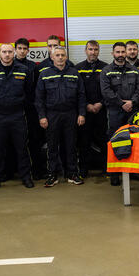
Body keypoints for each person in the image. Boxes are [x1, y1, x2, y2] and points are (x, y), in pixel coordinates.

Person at [0, 43, 34, 191]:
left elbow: (29, 92)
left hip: (18, 115)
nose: (7, 54)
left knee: (22, 148)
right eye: (4, 52)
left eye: (10, 51)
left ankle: (26, 177)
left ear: (14, 53)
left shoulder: (24, 70)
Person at [36, 46, 86, 187]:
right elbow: (39, 98)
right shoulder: (45, 74)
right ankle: (52, 174)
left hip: (71, 114)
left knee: (71, 145)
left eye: (62, 55)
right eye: (57, 55)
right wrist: (42, 116)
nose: (60, 57)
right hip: (52, 115)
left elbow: (81, 95)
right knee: (52, 146)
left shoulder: (74, 73)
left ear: (66, 57)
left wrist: (81, 113)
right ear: (52, 57)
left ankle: (72, 174)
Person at [100, 42, 139, 186]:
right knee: (114, 140)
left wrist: (132, 102)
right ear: (112, 53)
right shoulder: (106, 71)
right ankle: (114, 173)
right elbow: (106, 92)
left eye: (122, 52)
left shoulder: (134, 70)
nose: (120, 55)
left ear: (126, 53)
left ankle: (134, 171)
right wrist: (121, 103)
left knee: (134, 141)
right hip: (114, 111)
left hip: (132, 110)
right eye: (117, 52)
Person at [76, 40, 108, 177]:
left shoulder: (106, 67)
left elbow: (109, 89)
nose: (93, 52)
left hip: (102, 111)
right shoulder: (78, 68)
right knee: (84, 141)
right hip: (85, 112)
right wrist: (86, 105)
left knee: (104, 141)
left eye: (95, 49)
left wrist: (101, 103)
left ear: (98, 51)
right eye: (90, 49)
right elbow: (77, 91)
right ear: (85, 51)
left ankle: (106, 168)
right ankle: (83, 169)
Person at [15, 37, 45, 180]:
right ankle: (17, 171)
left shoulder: (33, 66)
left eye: (24, 49)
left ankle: (37, 170)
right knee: (16, 141)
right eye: (19, 48)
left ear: (28, 50)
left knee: (34, 140)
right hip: (15, 110)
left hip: (31, 109)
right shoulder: (10, 65)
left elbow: (38, 89)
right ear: (15, 50)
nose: (22, 51)